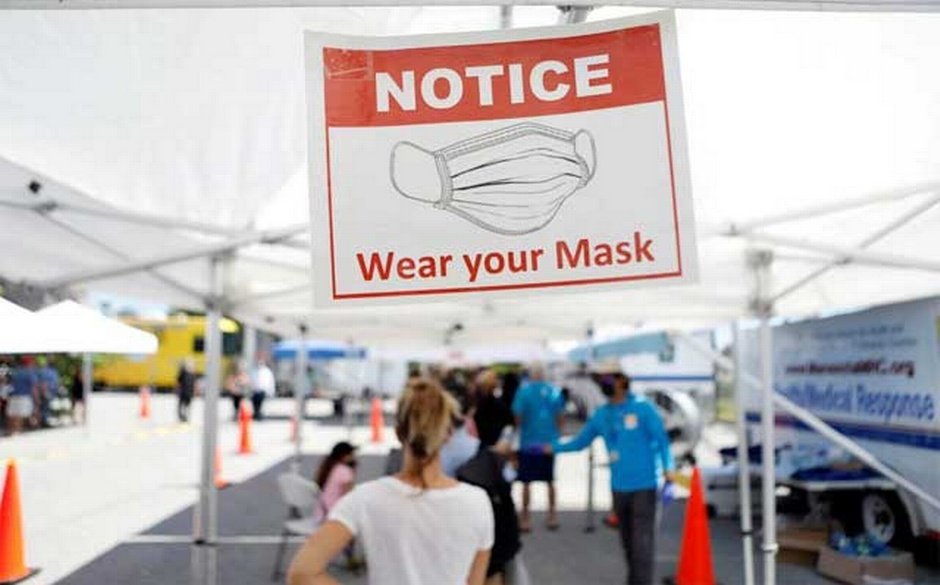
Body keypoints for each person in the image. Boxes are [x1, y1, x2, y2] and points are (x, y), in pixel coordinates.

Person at [287, 377, 493, 585]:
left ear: (398, 432)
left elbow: (302, 573)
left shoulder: (366, 498)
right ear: (448, 433)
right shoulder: (478, 502)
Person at [549, 362, 675, 585]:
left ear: (622, 380)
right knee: (628, 543)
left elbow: (662, 440)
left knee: (642, 543)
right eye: (600, 380)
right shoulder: (602, 414)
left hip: (644, 485)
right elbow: (580, 442)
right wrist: (552, 447)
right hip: (619, 487)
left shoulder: (643, 408)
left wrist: (668, 469)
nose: (603, 384)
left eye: (607, 379)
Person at [511, 364, 565, 532]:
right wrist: (556, 436)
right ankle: (552, 515)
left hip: (528, 442)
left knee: (526, 482)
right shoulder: (554, 391)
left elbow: (517, 417)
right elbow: (560, 417)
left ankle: (525, 518)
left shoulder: (523, 392)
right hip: (548, 442)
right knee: (550, 480)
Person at [314, 441, 358, 522]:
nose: (354, 456)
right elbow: (349, 497)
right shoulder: (344, 471)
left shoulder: (329, 468)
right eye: (351, 454)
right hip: (334, 518)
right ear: (344, 455)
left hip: (321, 515)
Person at [473, 369, 514, 448]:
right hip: (498, 445)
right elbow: (510, 423)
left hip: (483, 444)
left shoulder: (478, 404)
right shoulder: (498, 404)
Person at [6, 356, 38, 435]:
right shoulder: (30, 373)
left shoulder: (15, 371)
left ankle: (10, 432)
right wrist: (37, 399)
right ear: (29, 363)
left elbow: (8, 383)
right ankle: (17, 432)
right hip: (24, 396)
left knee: (12, 415)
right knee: (19, 415)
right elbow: (34, 388)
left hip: (13, 396)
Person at [250, 354, 275, 421]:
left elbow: (270, 381)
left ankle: (258, 414)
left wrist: (271, 391)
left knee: (260, 403)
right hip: (255, 390)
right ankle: (256, 413)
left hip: (262, 390)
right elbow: (252, 380)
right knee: (254, 403)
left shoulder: (267, 371)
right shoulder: (254, 370)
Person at [176, 358, 196, 422]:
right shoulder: (191, 374)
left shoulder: (184, 373)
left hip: (184, 392)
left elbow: (178, 381)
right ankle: (184, 417)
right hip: (187, 393)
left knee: (183, 406)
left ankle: (184, 417)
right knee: (185, 406)